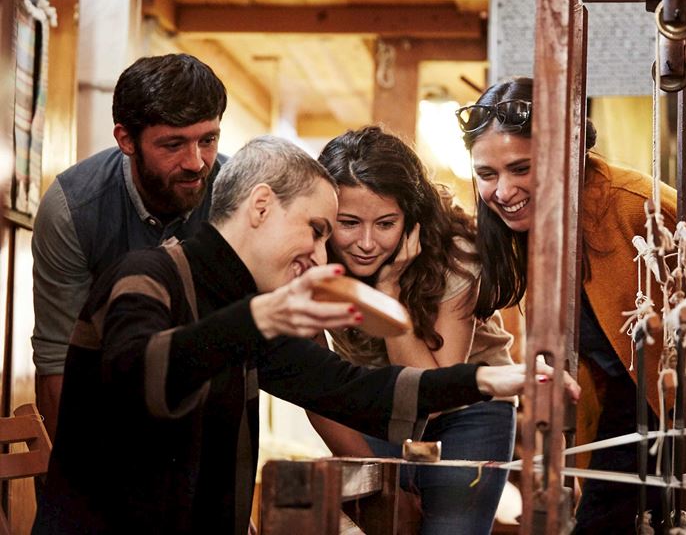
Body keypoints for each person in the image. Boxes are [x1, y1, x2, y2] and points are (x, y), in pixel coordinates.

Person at [33, 136, 537, 535]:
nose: (323, 255)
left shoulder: (249, 308)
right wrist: (260, 319)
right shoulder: (145, 274)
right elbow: (141, 377)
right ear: (260, 207)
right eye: (318, 229)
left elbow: (351, 390)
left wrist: (490, 382)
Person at [458, 77, 686, 534]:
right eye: (487, 174)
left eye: (520, 168)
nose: (503, 191)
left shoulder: (636, 207)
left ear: (566, 156)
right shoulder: (533, 237)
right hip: (627, 430)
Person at [308, 126, 528, 535]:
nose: (367, 243)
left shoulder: (458, 253)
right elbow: (313, 388)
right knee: (384, 525)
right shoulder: (306, 256)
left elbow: (433, 395)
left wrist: (390, 295)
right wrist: (381, 485)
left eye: (386, 223)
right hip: (372, 405)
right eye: (349, 223)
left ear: (411, 217)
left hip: (467, 410)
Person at [31, 53, 228, 441]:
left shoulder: (237, 196)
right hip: (102, 413)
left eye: (208, 140)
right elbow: (58, 365)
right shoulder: (73, 209)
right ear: (126, 139)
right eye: (173, 144)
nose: (196, 162)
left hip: (211, 413)